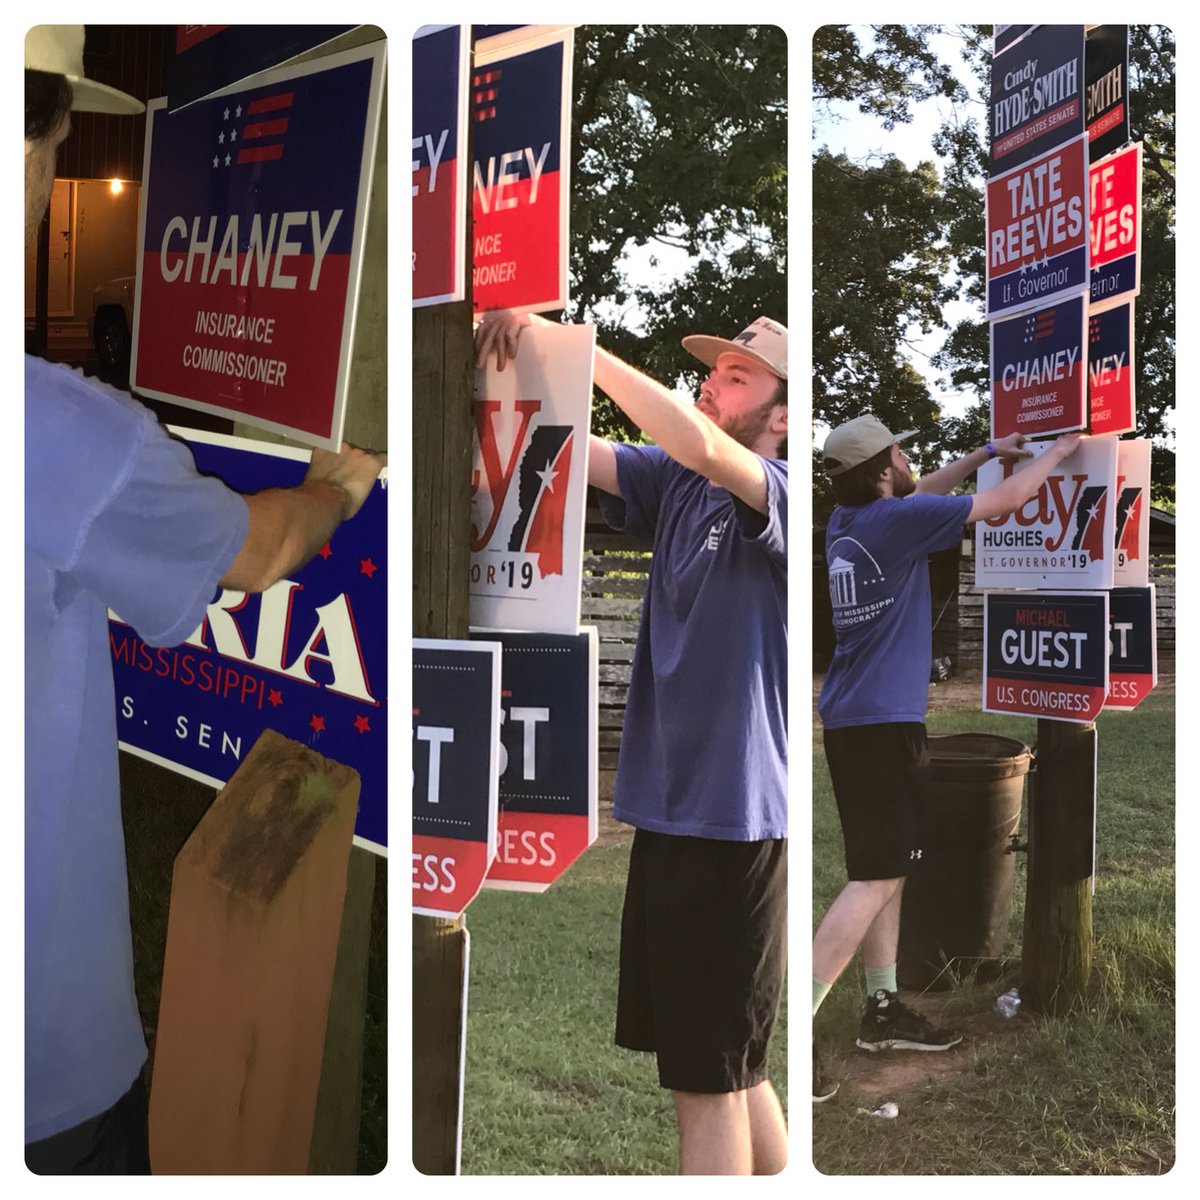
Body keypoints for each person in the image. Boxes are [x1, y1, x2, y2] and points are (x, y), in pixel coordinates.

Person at [24, 27, 385, 1172]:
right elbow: (256, 551)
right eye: (54, 145)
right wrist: (331, 488)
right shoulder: (60, 432)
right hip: (35, 1069)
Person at [476, 310, 788, 1175]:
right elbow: (573, 440)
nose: (712, 384)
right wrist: (504, 347)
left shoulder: (780, 488)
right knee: (732, 1067)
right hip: (669, 812)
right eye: (714, 370)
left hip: (730, 823)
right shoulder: (677, 485)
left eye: (738, 377)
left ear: (783, 413)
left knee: (708, 1088)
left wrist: (574, 344)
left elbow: (698, 441)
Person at [811, 414, 1083, 1102]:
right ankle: (789, 1027)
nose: (907, 459)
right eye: (898, 454)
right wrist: (1064, 450)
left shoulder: (850, 522)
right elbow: (1007, 502)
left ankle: (880, 1009)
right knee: (875, 877)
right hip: (881, 724)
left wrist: (985, 450)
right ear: (880, 473)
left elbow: (918, 492)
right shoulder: (893, 523)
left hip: (855, 718)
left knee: (887, 870)